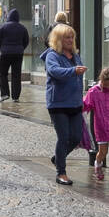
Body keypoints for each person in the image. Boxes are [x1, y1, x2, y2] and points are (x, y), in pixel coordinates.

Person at [40, 23, 87, 186]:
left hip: (74, 103)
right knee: (64, 136)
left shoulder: (75, 55)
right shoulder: (52, 55)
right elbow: (54, 72)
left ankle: (58, 158)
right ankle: (61, 172)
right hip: (58, 103)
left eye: (72, 37)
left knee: (76, 137)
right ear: (58, 39)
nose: (70, 40)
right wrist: (73, 71)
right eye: (67, 37)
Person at [0, 7, 30, 103]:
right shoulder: (22, 28)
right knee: (16, 75)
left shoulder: (3, 27)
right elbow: (26, 40)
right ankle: (15, 96)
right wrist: (21, 48)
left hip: (5, 53)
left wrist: (1, 49)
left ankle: (5, 94)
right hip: (18, 54)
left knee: (3, 74)